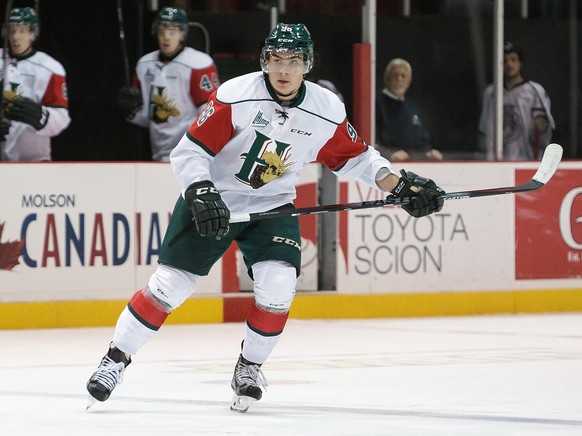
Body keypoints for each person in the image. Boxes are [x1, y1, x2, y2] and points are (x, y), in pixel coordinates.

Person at [86, 23, 445, 413]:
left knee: (278, 286)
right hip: (214, 200)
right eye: (276, 59)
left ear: (307, 64)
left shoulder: (326, 108)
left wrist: (398, 185)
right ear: (264, 62)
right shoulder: (235, 96)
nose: (284, 69)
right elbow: (189, 152)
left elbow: (356, 158)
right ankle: (115, 360)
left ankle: (250, 367)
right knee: (169, 286)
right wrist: (201, 191)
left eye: (293, 61)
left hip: (272, 205)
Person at [117, 7, 220, 162]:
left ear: (182, 34)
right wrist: (132, 112)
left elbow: (211, 115)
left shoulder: (198, 63)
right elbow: (150, 117)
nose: (166, 37)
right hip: (159, 153)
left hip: (191, 154)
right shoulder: (144, 65)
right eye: (162, 31)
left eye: (172, 32)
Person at [0, 7, 70, 162]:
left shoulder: (50, 68)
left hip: (34, 162)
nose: (15, 37)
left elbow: (62, 118)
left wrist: (41, 117)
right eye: (12, 31)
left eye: (22, 31)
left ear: (33, 34)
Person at [478, 42, 555, 160]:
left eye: (513, 60)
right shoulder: (491, 92)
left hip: (526, 160)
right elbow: (485, 131)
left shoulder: (534, 91)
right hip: (497, 163)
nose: (509, 64)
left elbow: (544, 133)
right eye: (505, 60)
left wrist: (542, 127)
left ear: (520, 63)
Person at [376, 58, 442, 162]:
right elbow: (370, 141)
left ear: (409, 81)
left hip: (413, 166)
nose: (399, 79)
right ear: (386, 78)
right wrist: (389, 154)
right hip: (385, 165)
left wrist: (429, 152)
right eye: (395, 75)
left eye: (403, 76)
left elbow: (423, 139)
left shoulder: (413, 107)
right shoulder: (376, 103)